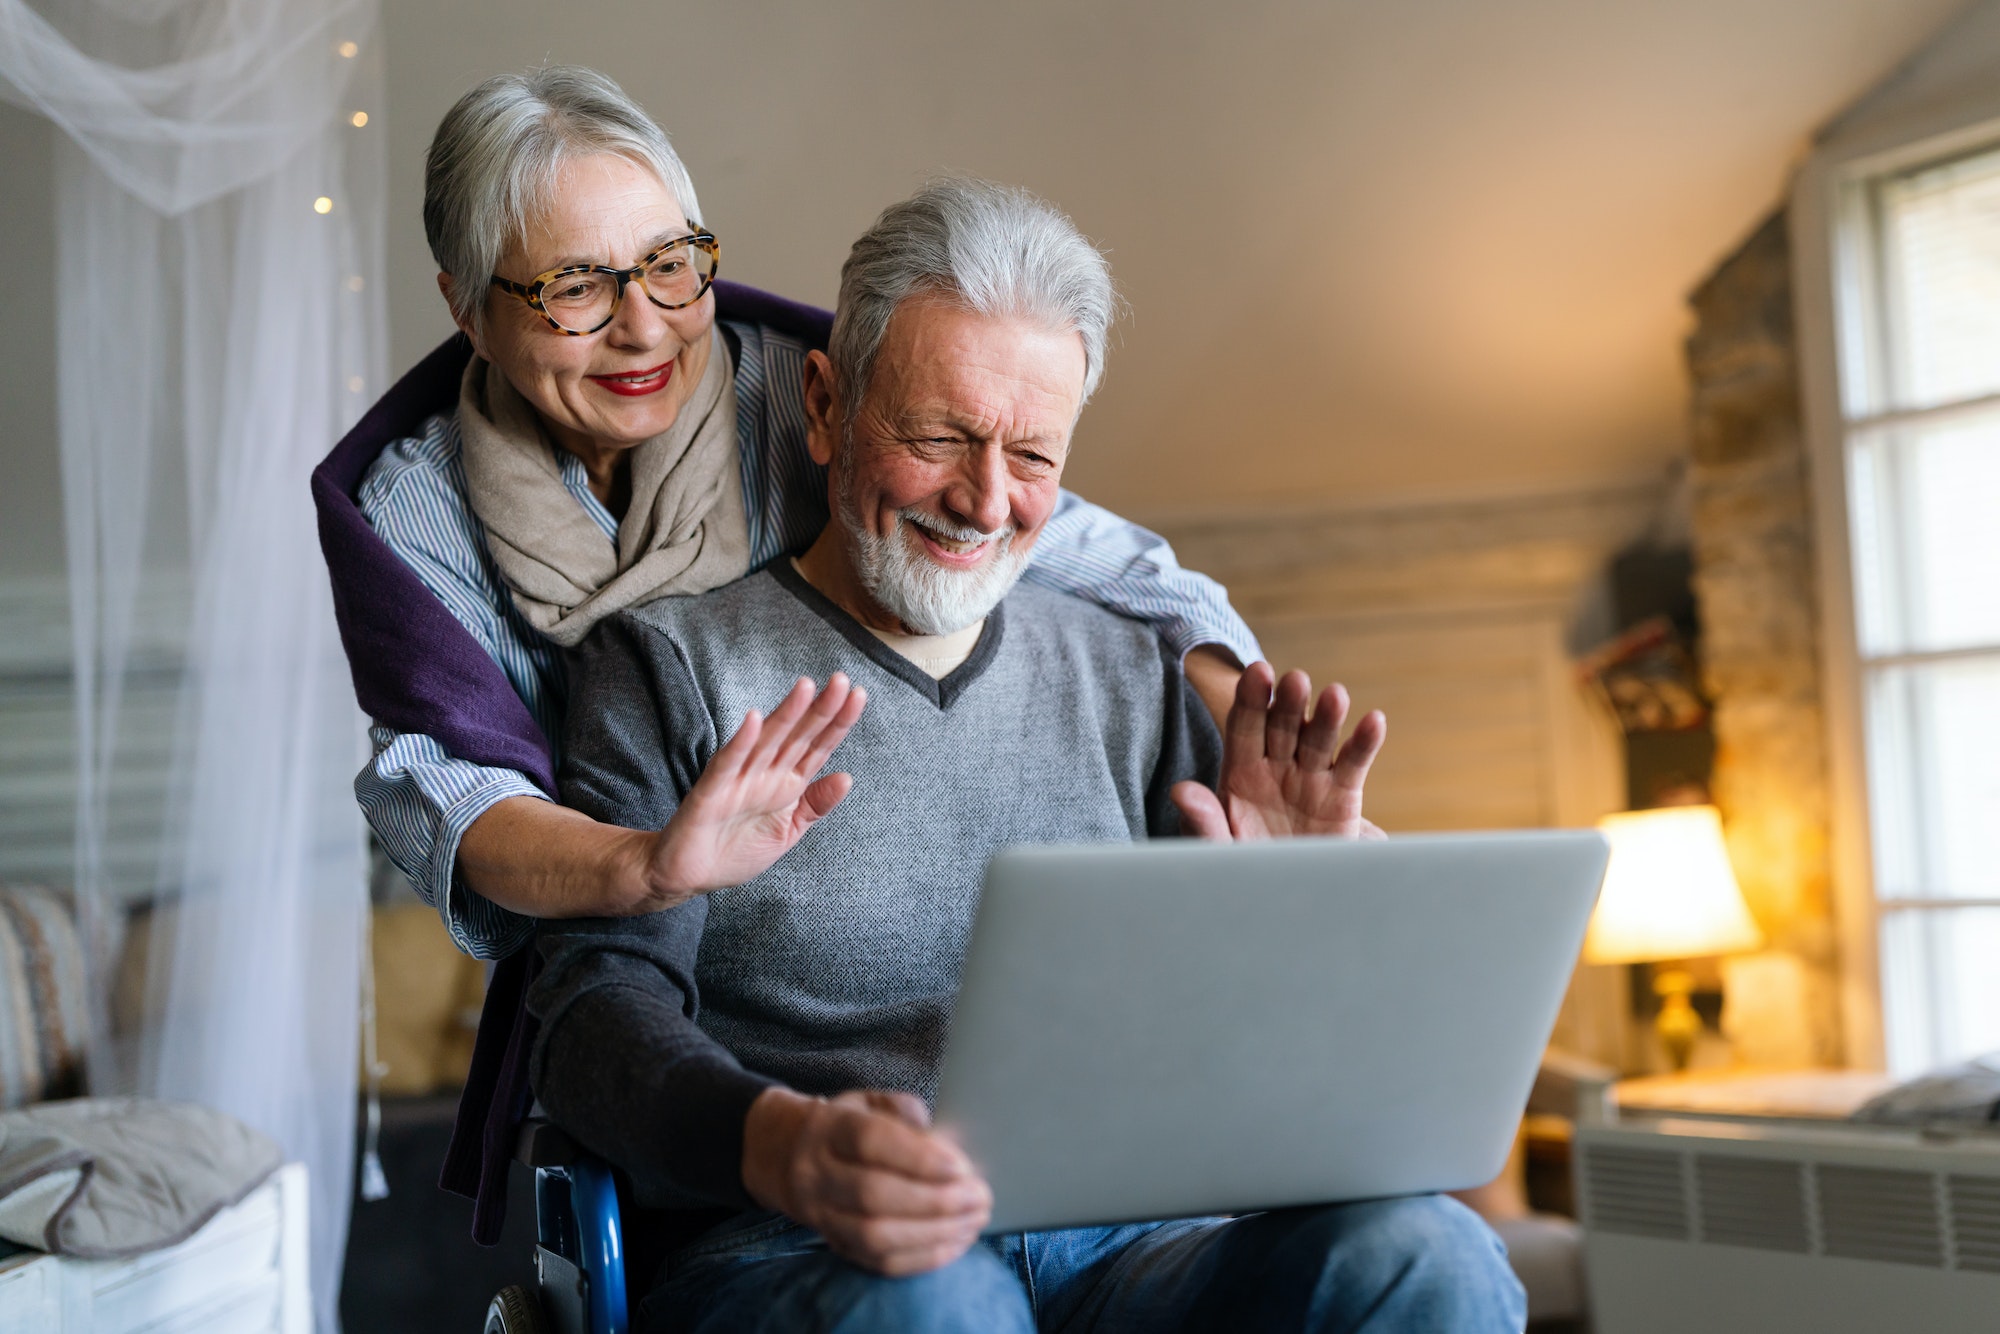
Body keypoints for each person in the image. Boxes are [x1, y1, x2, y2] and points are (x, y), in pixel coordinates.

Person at [528, 179, 1521, 1333]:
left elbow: (1268, 1074)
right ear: (824, 404)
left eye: (1032, 454)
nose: (984, 499)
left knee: (1423, 1250)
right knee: (938, 1302)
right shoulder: (661, 668)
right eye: (938, 436)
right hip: (804, 1249)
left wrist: (1297, 907)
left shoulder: (1134, 673)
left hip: (1137, 1244)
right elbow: (592, 1016)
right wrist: (778, 1142)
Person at [333, 65, 1262, 964]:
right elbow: (448, 790)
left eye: (668, 264)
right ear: (466, 307)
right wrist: (646, 867)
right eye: (576, 287)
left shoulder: (786, 389)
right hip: (607, 924)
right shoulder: (417, 513)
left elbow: (1064, 541)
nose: (646, 326)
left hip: (829, 884)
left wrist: (1262, 771)